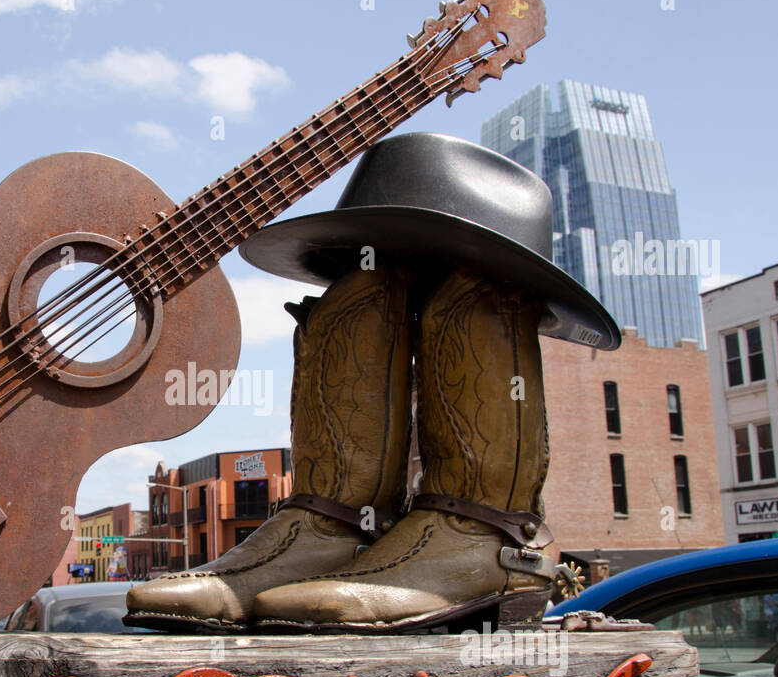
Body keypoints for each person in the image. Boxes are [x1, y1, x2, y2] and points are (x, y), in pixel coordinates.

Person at [126, 133, 619, 633]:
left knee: (462, 305)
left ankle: (489, 542)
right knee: (368, 295)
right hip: (377, 536)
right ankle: (349, 533)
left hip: (448, 540)